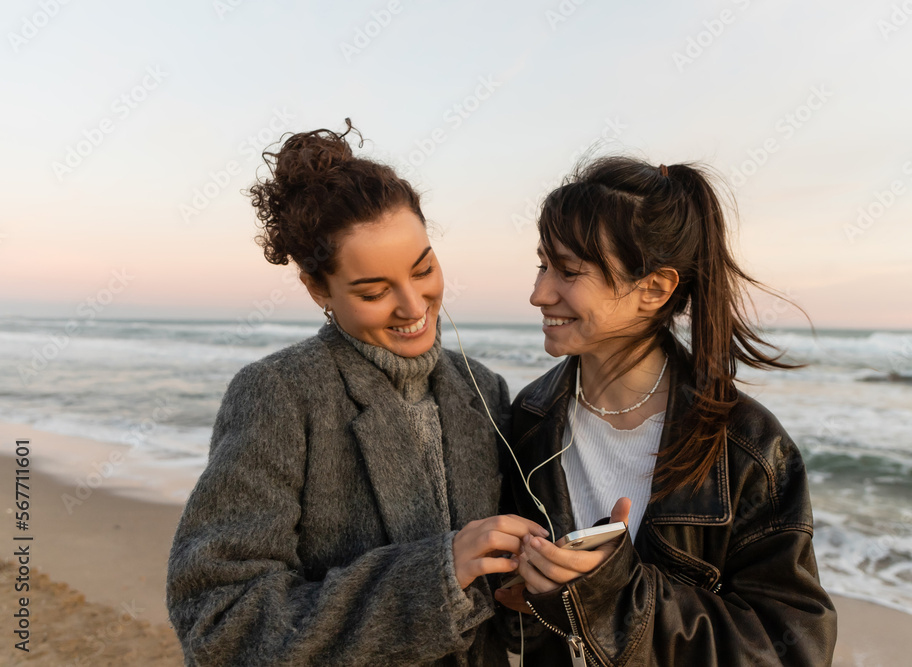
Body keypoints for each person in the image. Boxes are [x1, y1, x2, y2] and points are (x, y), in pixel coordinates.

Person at [165, 121, 546, 666]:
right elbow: (219, 622)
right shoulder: (280, 394)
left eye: (424, 270)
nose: (414, 307)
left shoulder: (483, 389)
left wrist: (544, 587)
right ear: (318, 289)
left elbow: (506, 617)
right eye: (373, 291)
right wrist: (438, 576)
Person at [493, 157, 838, 665]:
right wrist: (516, 595)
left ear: (653, 289)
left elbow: (794, 649)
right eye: (543, 264)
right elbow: (520, 629)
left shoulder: (747, 446)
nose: (538, 293)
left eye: (568, 271)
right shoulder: (530, 419)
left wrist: (616, 596)